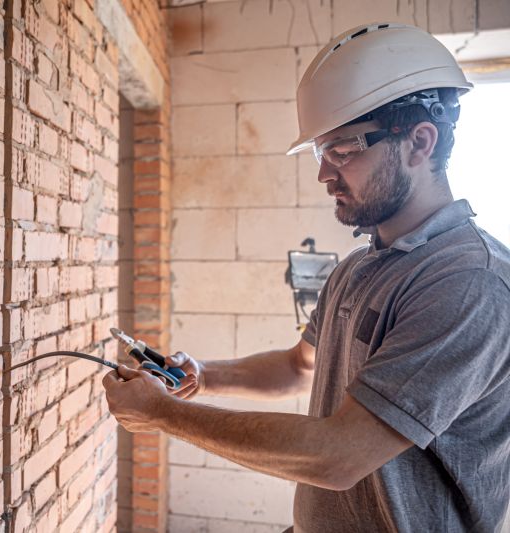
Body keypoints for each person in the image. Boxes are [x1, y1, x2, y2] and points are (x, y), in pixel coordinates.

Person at [102, 22, 510, 532]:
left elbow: (340, 456)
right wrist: (203, 376)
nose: (324, 174)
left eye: (343, 151)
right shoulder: (359, 268)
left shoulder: (468, 282)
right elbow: (300, 367)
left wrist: (164, 415)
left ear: (419, 142)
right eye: (321, 152)